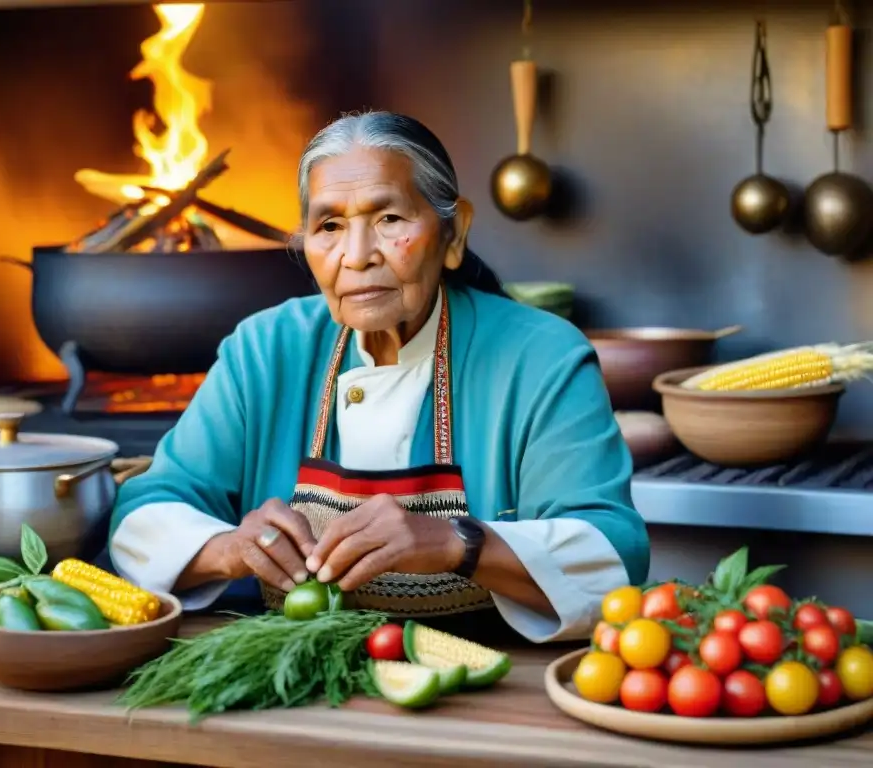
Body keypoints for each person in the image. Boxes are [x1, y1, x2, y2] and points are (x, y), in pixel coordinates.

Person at [109, 111, 649, 642]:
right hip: (292, 679)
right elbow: (144, 514)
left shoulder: (541, 356)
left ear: (454, 232)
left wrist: (456, 544)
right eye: (329, 227)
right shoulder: (266, 349)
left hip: (487, 683)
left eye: (389, 220)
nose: (358, 256)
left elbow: (612, 555)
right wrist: (228, 549)